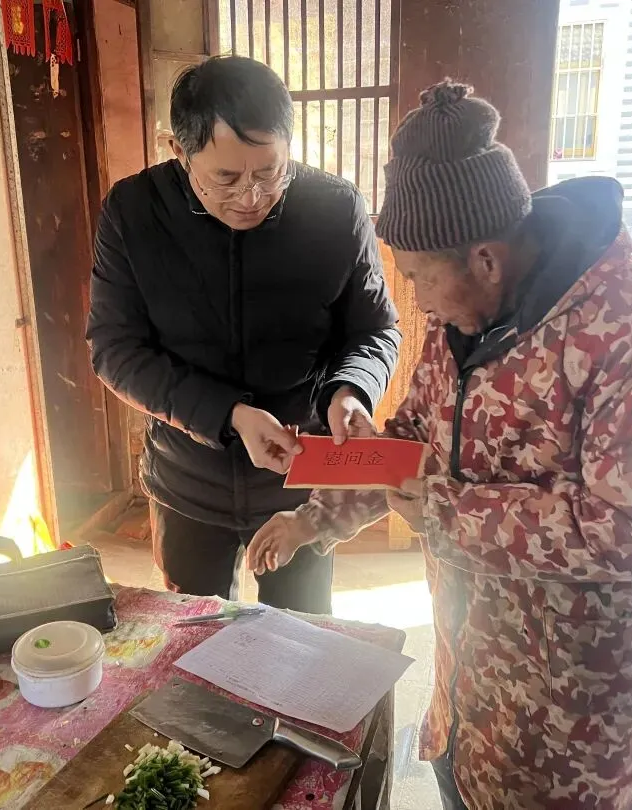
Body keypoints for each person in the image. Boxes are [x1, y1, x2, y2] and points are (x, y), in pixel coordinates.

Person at [247, 81, 632, 809]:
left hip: (568, 730)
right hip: (466, 692)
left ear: (485, 259)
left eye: (419, 278)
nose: (416, 300)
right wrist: (313, 517)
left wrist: (445, 511)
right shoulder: (463, 323)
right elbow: (412, 439)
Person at [86, 56, 400, 615]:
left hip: (301, 477)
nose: (252, 197)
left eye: (270, 171)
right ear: (178, 152)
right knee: (196, 632)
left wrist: (351, 391)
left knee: (302, 635)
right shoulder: (134, 212)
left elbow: (374, 329)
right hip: (188, 477)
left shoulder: (335, 209)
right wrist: (228, 415)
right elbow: (114, 349)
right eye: (226, 179)